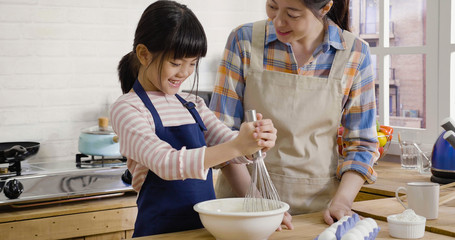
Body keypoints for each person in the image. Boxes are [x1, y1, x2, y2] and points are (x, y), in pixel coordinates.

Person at [110, 1, 277, 237]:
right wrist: (237, 145)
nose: (185, 73)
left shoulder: (192, 103)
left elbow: (227, 144)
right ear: (144, 54)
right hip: (158, 233)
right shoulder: (128, 108)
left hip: (205, 231)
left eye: (193, 63)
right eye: (176, 63)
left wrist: (254, 142)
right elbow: (165, 163)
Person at [209, 0, 379, 228]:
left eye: (292, 14)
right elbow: (220, 133)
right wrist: (260, 207)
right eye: (272, 6)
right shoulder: (244, 40)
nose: (278, 21)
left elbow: (362, 145)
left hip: (317, 212)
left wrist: (342, 202)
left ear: (325, 8)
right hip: (244, 207)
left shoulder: (355, 53)